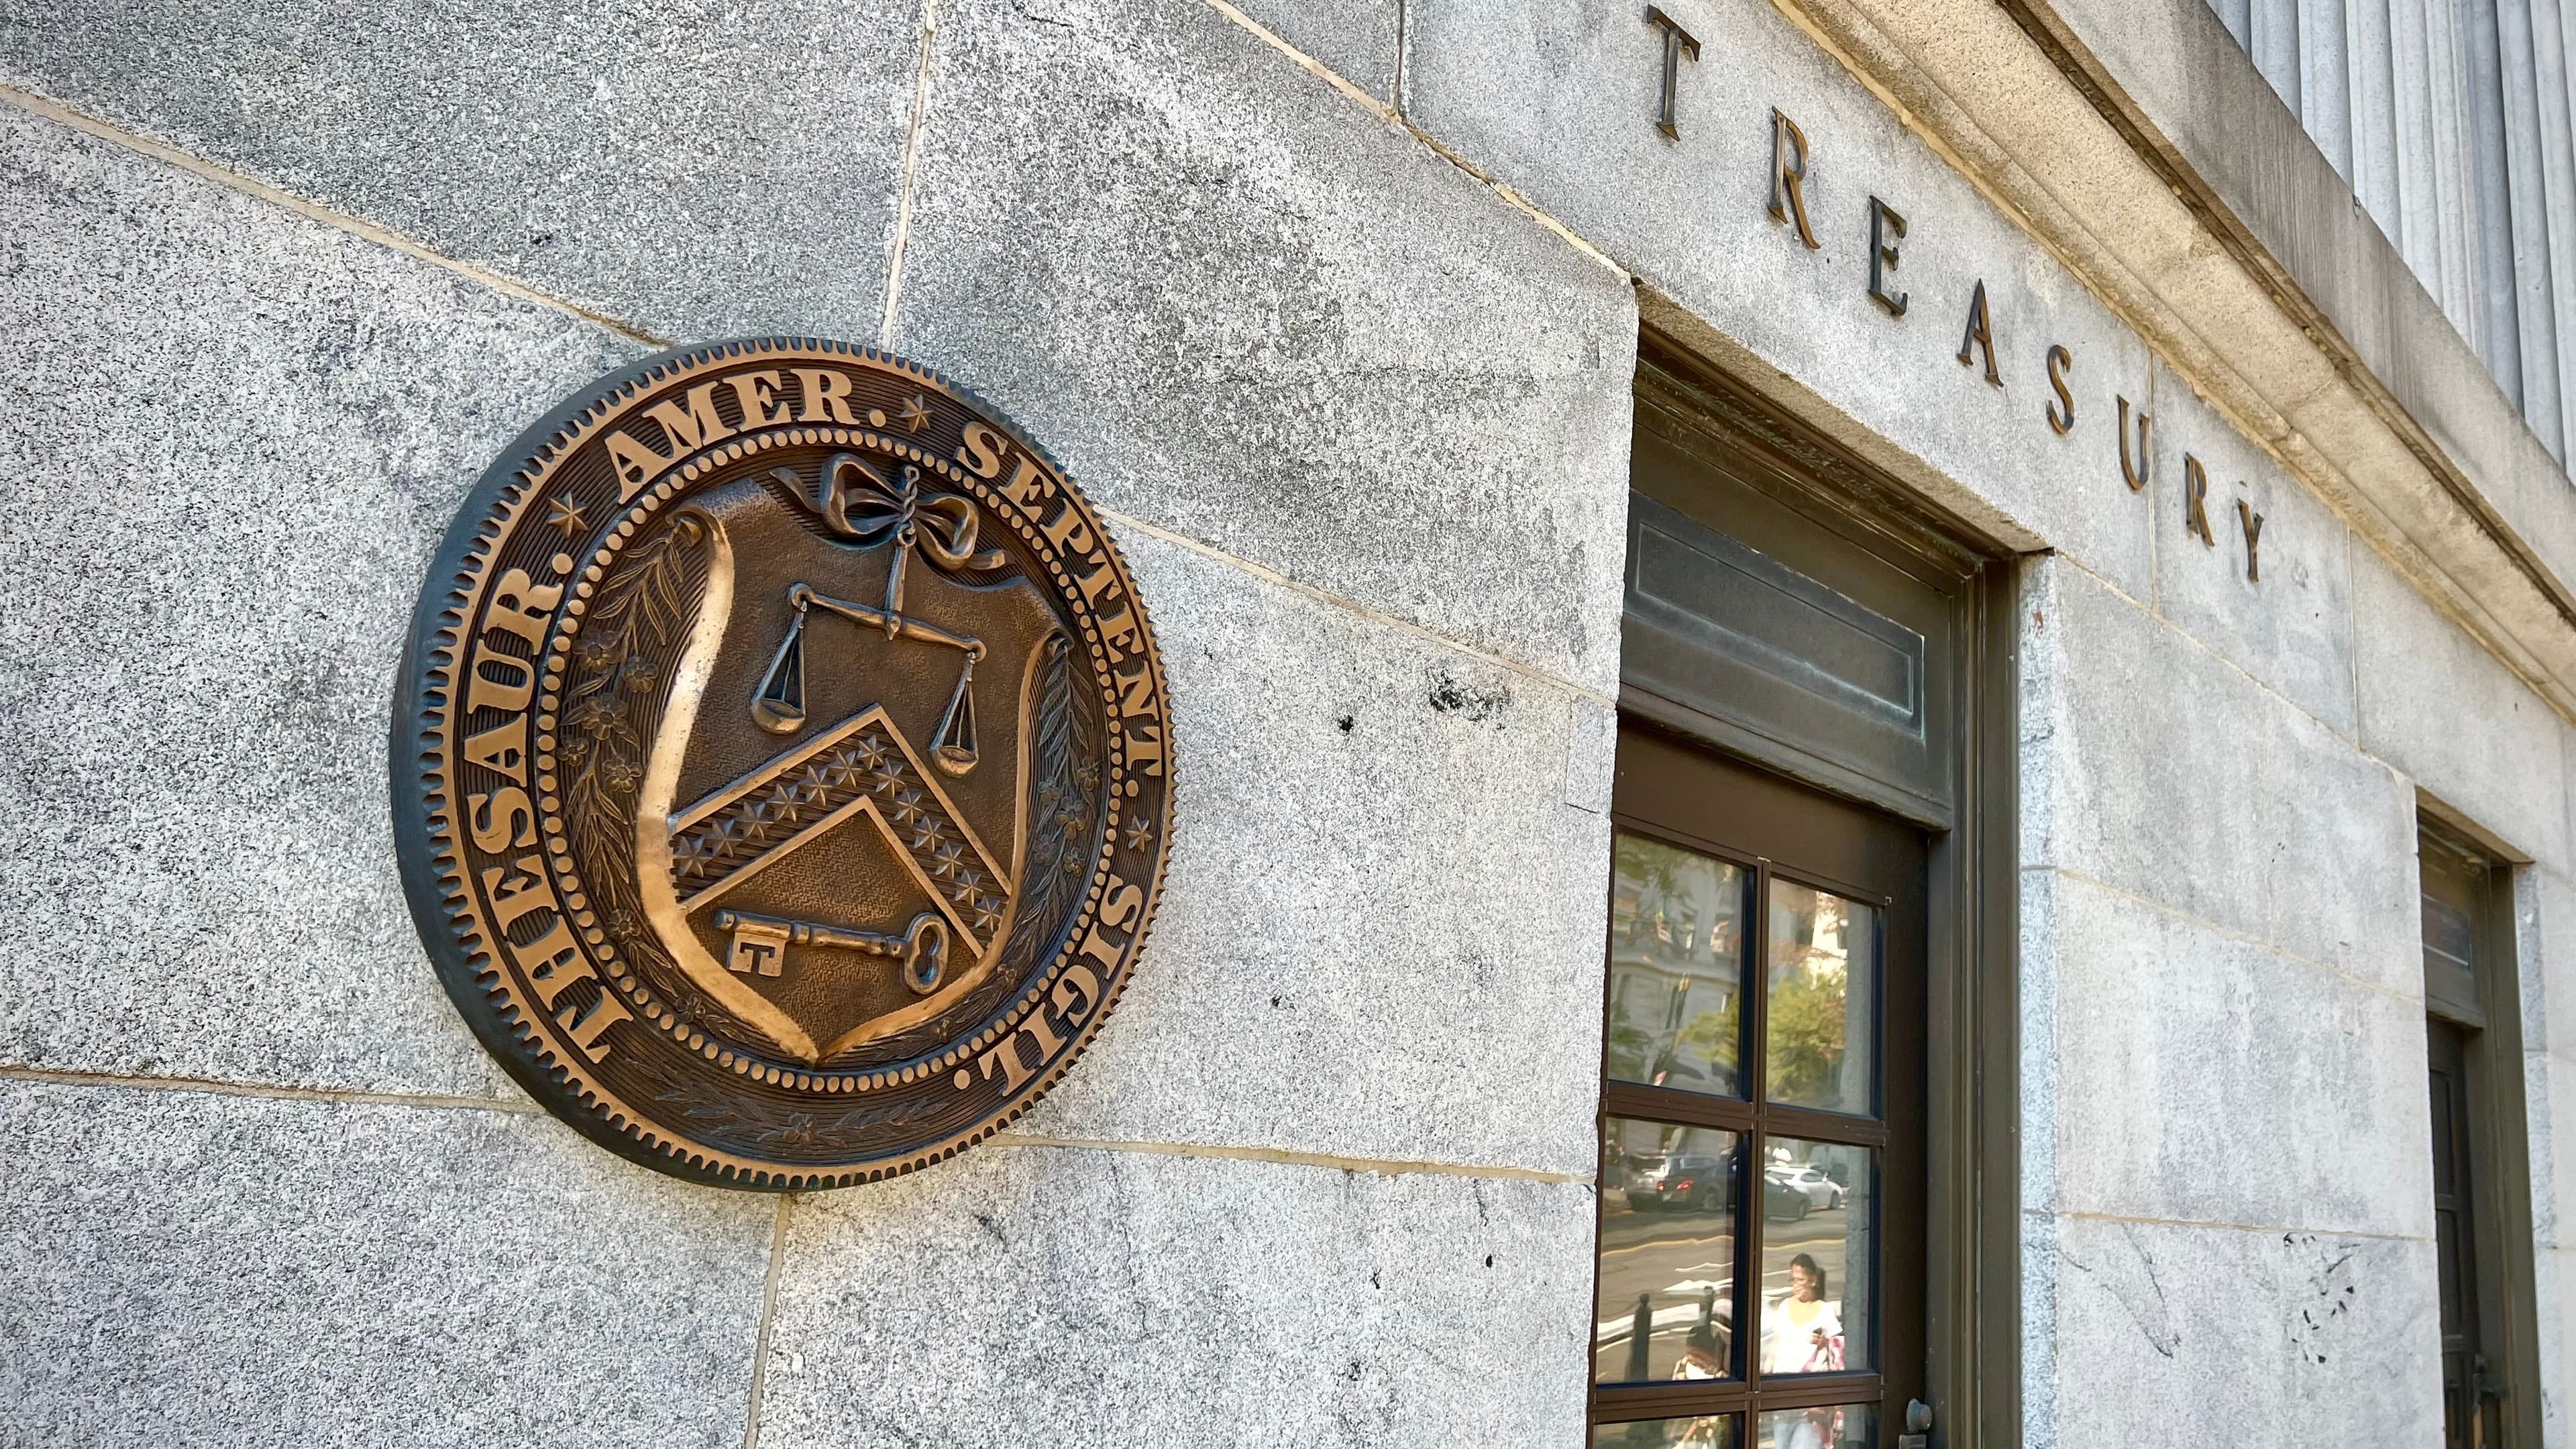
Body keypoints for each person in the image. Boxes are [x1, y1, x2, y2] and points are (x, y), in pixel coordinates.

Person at [1761, 1254, 1845, 1449]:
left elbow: (1839, 1349)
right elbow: (1775, 1346)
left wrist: (1825, 1342)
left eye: (1801, 1280)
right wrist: (1765, 1379)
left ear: (1814, 1281)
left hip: (1811, 1402)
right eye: (1793, 1280)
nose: (1796, 1285)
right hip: (1782, 1399)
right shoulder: (1784, 1307)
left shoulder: (1824, 1311)